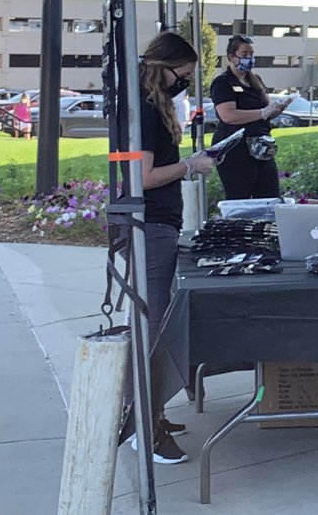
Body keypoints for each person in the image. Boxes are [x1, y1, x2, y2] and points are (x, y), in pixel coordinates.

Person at [123, 31, 214, 464]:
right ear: (165, 68)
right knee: (152, 329)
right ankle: (145, 425)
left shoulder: (149, 106)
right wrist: (190, 165)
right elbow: (142, 177)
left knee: (155, 324)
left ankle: (151, 411)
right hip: (149, 225)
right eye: (184, 74)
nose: (185, 81)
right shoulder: (143, 109)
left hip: (158, 224)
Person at [210, 34, 292, 200]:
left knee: (270, 196)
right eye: (244, 54)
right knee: (240, 196)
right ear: (232, 57)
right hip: (236, 148)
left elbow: (265, 108)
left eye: (252, 54)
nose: (249, 58)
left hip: (261, 145)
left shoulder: (256, 80)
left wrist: (275, 110)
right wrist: (262, 113)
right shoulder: (223, 83)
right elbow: (228, 115)